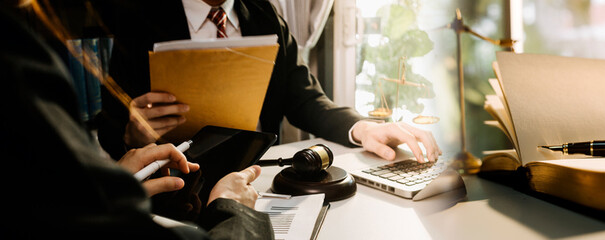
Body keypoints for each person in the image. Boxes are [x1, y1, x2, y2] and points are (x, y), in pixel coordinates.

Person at [1, 2, 273, 238]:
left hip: (243, 178)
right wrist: (235, 213)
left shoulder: (265, 14)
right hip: (191, 198)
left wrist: (115, 187)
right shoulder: (135, 18)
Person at [96, 0, 442, 163]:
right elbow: (110, 128)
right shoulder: (136, 19)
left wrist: (364, 128)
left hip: (259, 175)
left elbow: (305, 98)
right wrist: (132, 135)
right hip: (175, 186)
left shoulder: (265, 14)